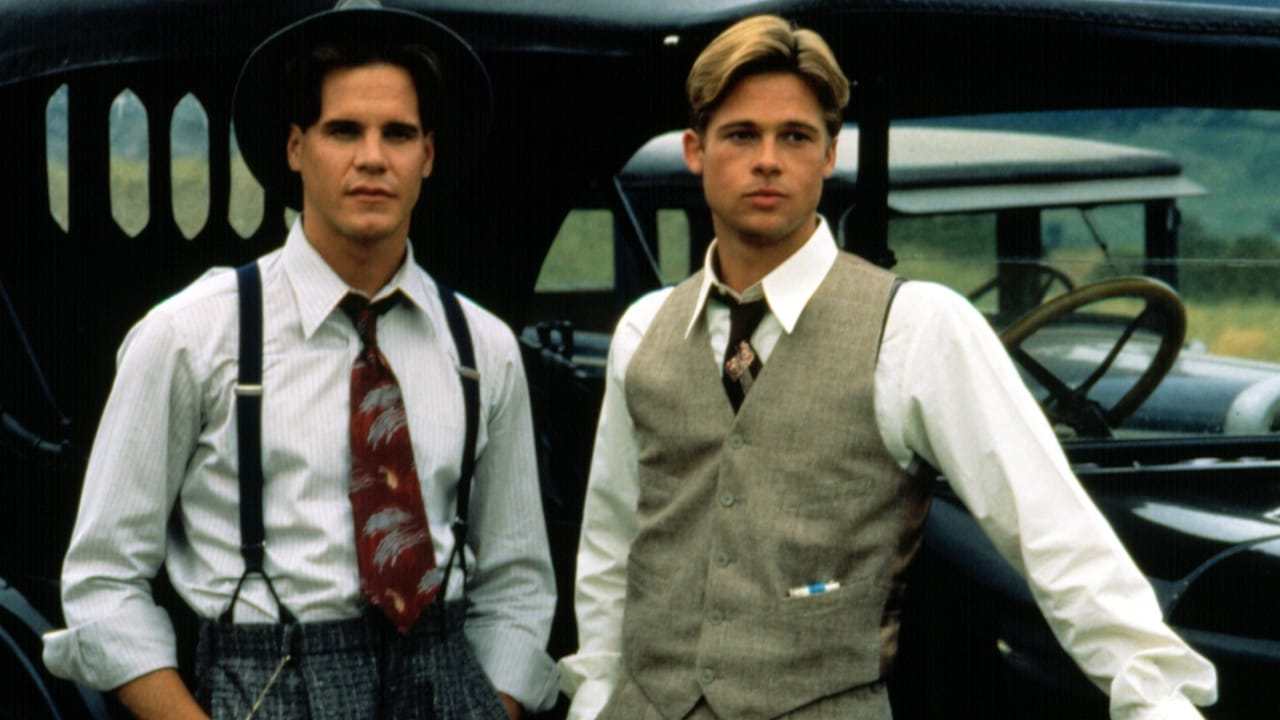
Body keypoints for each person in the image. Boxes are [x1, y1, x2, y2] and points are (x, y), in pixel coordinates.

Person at [559, 14, 1217, 720]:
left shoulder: (917, 326)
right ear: (696, 150)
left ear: (829, 154)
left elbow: (1050, 529)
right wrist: (595, 698)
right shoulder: (644, 329)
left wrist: (1156, 698)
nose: (768, 160)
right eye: (741, 135)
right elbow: (614, 542)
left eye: (795, 136)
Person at [42, 2, 558, 718]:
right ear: (295, 148)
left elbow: (518, 580)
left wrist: (490, 706)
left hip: (446, 680)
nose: (372, 157)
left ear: (428, 156)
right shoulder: (193, 335)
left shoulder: (483, 347)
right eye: (343, 130)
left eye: (398, 133)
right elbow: (103, 581)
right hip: (268, 683)